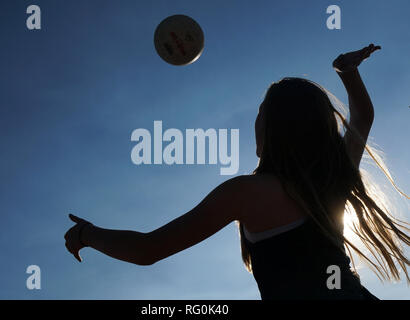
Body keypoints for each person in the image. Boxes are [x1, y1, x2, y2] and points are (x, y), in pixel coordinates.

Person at [64, 44, 409, 300]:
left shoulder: (246, 193)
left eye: (261, 113)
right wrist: (348, 72)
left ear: (273, 127)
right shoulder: (330, 179)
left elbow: (147, 250)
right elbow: (362, 116)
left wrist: (86, 234)